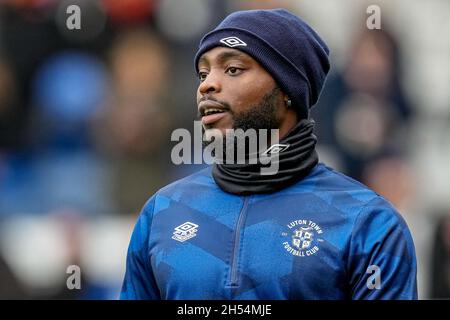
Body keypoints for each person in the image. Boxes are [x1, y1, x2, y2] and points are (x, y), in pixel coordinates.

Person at [120, 8, 417, 300]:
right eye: (203, 73)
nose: (207, 85)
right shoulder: (162, 212)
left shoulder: (368, 223)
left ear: (287, 89)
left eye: (233, 69)